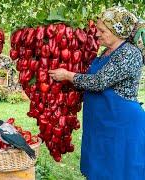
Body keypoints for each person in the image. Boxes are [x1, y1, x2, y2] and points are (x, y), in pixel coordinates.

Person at [48, 6, 145, 180]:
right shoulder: (106, 52)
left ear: (118, 31)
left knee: (118, 171)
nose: (97, 34)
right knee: (99, 170)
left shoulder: (129, 53)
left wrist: (68, 75)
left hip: (121, 125)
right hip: (101, 124)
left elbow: (99, 81)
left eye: (102, 30)